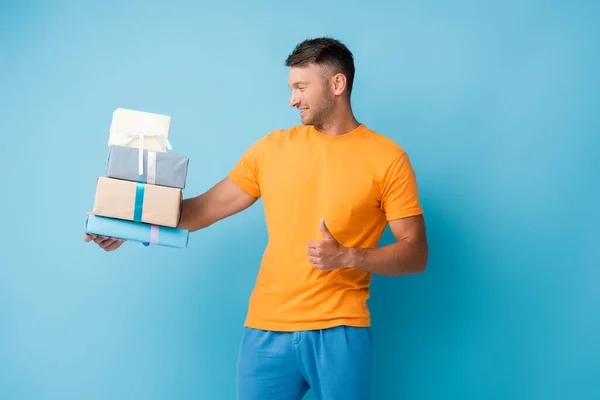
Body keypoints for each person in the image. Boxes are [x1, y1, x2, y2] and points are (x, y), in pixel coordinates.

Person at [84, 37, 428, 400]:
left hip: (340, 330)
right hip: (265, 330)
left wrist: (348, 256)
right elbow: (203, 209)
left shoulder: (387, 158)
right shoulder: (272, 149)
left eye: (301, 87)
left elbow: (415, 252)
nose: (292, 99)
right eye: (291, 88)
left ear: (337, 84)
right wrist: (123, 226)